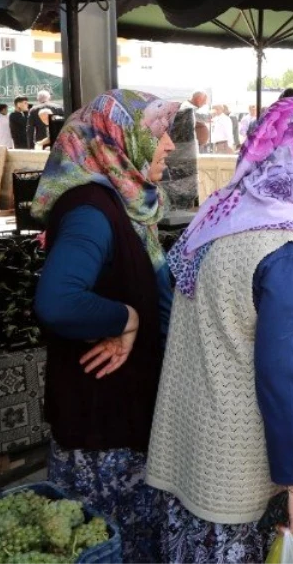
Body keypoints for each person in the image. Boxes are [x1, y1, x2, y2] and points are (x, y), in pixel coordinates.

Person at [147, 97, 293, 562]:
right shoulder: (292, 248)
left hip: (198, 451)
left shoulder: (215, 220)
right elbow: (282, 371)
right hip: (248, 477)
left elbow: (170, 299)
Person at [30, 89, 181, 561]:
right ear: (118, 139)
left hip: (123, 417)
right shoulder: (91, 211)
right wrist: (125, 316)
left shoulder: (125, 204)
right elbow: (58, 302)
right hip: (103, 432)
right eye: (159, 134)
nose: (170, 146)